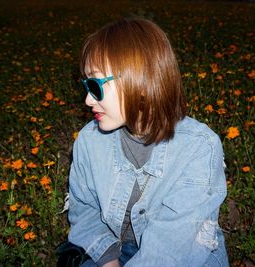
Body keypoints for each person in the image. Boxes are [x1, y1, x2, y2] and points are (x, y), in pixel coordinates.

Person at [67, 17, 229, 267]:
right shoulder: (89, 141)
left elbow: (171, 250)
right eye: (86, 85)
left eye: (96, 85)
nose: (88, 100)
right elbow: (84, 209)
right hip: (114, 251)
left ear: (141, 81)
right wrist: (109, 260)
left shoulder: (199, 147)